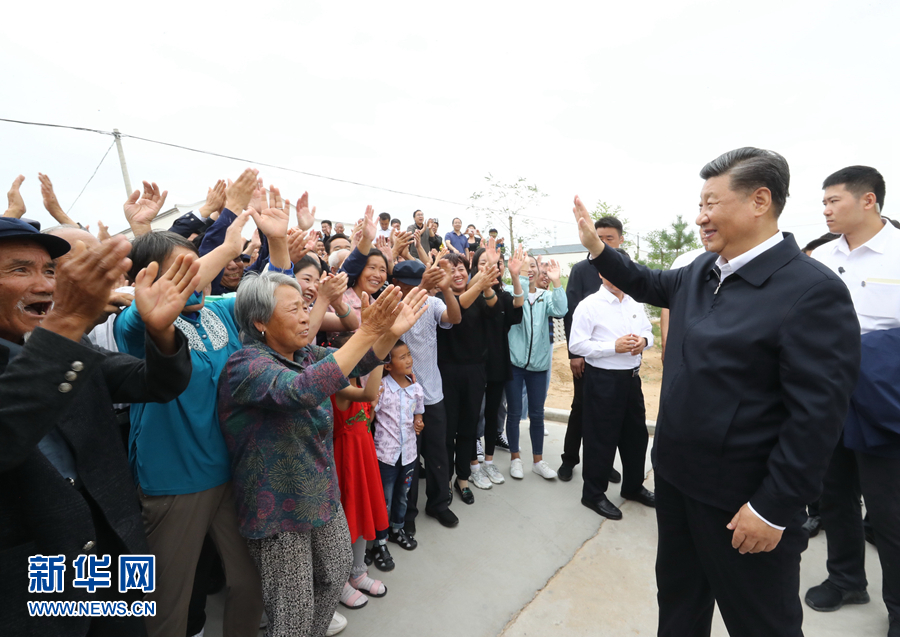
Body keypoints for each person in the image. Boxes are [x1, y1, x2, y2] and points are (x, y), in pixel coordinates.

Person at [571, 147, 861, 637]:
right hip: (678, 483)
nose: (700, 217)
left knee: (760, 623)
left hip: (742, 506)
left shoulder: (811, 291)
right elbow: (644, 280)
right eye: (699, 205)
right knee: (679, 605)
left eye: (711, 204)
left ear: (759, 201)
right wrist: (599, 250)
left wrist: (772, 508)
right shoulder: (703, 271)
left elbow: (816, 420)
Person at [0, 218, 194, 637]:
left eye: (49, 271)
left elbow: (155, 383)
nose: (45, 285)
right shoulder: (60, 338)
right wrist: (66, 321)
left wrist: (161, 332)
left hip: (114, 553)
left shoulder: (71, 345)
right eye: (20, 270)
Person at [217, 274, 426, 637]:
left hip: (322, 495)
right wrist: (367, 330)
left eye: (306, 306)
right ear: (260, 322)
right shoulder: (245, 365)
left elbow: (357, 364)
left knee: (335, 572)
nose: (305, 316)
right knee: (293, 611)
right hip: (279, 512)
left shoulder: (304, 354)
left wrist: (388, 333)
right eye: (294, 309)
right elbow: (302, 390)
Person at [114, 171, 274, 637]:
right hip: (174, 483)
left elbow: (272, 291)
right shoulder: (136, 323)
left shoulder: (219, 309)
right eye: (182, 269)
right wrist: (225, 238)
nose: (196, 278)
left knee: (250, 582)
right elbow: (160, 301)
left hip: (230, 471)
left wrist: (277, 241)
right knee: (168, 605)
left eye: (196, 265)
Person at [806, 166, 900, 636]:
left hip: (883, 398)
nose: (825, 210)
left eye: (833, 201)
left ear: (868, 201)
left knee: (889, 509)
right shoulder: (821, 257)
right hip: (828, 394)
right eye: (823, 202)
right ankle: (845, 580)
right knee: (835, 494)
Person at [568, 249, 656, 520]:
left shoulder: (634, 302)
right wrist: (612, 347)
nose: (616, 275)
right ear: (600, 272)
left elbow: (648, 331)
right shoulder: (589, 305)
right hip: (603, 381)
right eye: (610, 269)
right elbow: (576, 345)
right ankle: (593, 494)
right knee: (601, 439)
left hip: (631, 380)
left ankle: (633, 486)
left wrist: (644, 342)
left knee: (636, 437)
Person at [389, 260, 463, 530]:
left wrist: (446, 289)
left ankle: (439, 504)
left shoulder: (432, 303)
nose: (416, 290)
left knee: (438, 453)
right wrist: (422, 286)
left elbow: (455, 318)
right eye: (409, 285)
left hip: (432, 394)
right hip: (400, 399)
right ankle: (406, 514)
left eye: (419, 284)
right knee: (408, 458)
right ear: (396, 284)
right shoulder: (390, 305)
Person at [559, 217, 626, 483]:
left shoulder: (627, 268)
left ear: (620, 240)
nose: (603, 243)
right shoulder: (580, 270)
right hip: (587, 356)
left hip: (616, 359)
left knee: (609, 414)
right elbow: (570, 313)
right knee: (581, 407)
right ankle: (569, 459)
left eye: (609, 238)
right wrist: (575, 355)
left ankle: (602, 463)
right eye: (599, 237)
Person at [437, 252, 501, 502]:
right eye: (451, 270)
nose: (457, 274)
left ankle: (462, 478)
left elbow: (495, 309)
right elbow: (458, 307)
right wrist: (478, 284)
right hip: (446, 371)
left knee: (468, 427)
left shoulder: (479, 297)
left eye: (461, 268)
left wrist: (486, 279)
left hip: (475, 371)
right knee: (447, 430)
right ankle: (445, 479)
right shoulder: (439, 299)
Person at [329, 354, 391, 610]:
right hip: (347, 463)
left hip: (363, 459)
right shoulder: (341, 390)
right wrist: (381, 350)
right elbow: (368, 394)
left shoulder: (357, 385)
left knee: (362, 513)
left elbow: (366, 416)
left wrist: (372, 408)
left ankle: (357, 571)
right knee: (348, 519)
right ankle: (341, 581)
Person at [504, 254, 567, 480]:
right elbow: (516, 302)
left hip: (538, 366)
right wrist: (517, 279)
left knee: (537, 415)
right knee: (514, 413)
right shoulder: (510, 293)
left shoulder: (546, 296)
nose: (529, 270)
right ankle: (515, 458)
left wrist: (557, 282)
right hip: (515, 365)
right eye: (523, 267)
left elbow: (561, 310)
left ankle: (538, 461)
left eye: (532, 265)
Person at [470, 244, 524, 485]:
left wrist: (515, 276)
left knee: (492, 414)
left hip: (497, 362)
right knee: (472, 414)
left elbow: (517, 310)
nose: (489, 267)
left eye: (494, 264)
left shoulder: (503, 296)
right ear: (474, 267)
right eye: (483, 263)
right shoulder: (469, 294)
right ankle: (473, 465)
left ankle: (489, 462)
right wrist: (486, 274)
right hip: (472, 363)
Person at [373, 341, 424, 551]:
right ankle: (380, 540)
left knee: (403, 495)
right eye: (402, 357)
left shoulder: (416, 388)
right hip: (386, 455)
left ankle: (397, 529)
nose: (409, 360)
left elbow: (418, 410)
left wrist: (419, 421)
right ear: (388, 365)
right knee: (384, 499)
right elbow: (370, 415)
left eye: (408, 355)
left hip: (409, 453)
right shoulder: (381, 388)